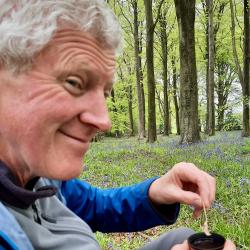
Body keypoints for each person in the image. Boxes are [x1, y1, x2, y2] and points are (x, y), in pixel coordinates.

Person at [0, 1, 236, 249]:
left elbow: (92, 205)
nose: (104, 121)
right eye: (74, 82)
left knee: (181, 237)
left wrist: (154, 193)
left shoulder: (39, 174)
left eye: (105, 93)